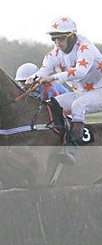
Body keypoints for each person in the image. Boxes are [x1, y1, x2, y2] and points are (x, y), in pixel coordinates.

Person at [25, 17, 102, 164]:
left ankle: (71, 149)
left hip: (100, 90)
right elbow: (44, 70)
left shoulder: (86, 48)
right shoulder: (54, 54)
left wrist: (53, 78)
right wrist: (31, 79)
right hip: (82, 92)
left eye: (60, 38)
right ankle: (54, 140)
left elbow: (80, 71)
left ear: (71, 36)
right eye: (54, 39)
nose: (57, 43)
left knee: (78, 105)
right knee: (50, 105)